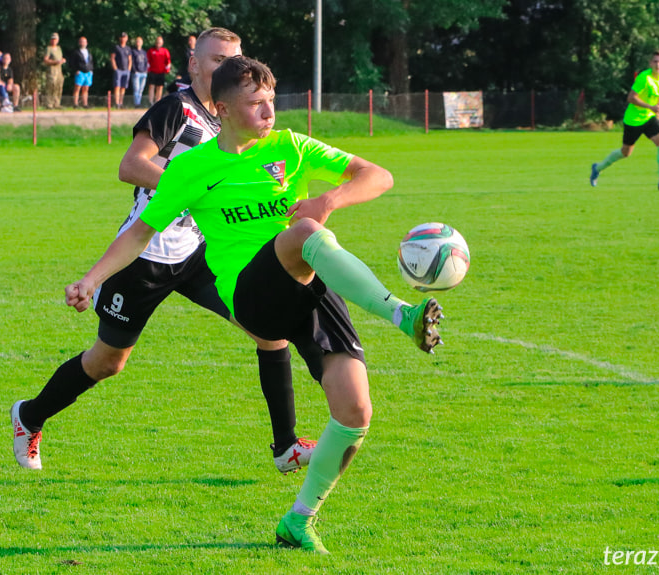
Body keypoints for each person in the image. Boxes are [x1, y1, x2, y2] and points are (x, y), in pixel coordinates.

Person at [62, 55, 444, 554]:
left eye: (271, 100)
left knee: (354, 413)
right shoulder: (193, 167)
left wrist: (330, 199)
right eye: (255, 103)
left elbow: (378, 175)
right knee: (305, 231)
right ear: (222, 109)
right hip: (250, 294)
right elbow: (140, 231)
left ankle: (298, 521)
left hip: (308, 282)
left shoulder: (291, 146)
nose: (269, 111)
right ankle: (403, 314)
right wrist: (91, 279)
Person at [11, 28, 319, 478]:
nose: (225, 68)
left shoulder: (232, 116)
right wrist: (188, 191)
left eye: (233, 60)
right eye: (215, 60)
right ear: (194, 65)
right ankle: (30, 416)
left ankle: (286, 446)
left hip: (198, 254)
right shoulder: (177, 108)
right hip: (145, 258)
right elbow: (131, 166)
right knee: (107, 362)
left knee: (267, 329)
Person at [590, 50, 659, 191]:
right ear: (650, 63)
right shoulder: (644, 78)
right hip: (633, 120)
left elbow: (658, 98)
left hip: (649, 117)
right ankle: (598, 168)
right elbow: (631, 98)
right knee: (626, 152)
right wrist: (651, 107)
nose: (658, 64)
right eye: (655, 61)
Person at [43, 33, 66, 109]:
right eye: (52, 39)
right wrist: (54, 62)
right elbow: (45, 60)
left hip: (59, 70)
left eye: (55, 39)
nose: (54, 41)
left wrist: (62, 60)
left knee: (58, 86)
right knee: (51, 86)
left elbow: (61, 58)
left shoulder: (59, 49)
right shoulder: (48, 49)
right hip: (51, 70)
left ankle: (57, 103)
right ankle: (49, 103)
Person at [70, 37, 94, 108]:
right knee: (77, 88)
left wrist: (91, 70)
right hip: (80, 72)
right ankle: (75, 104)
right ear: (79, 43)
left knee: (86, 89)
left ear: (86, 43)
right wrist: (76, 70)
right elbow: (72, 62)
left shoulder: (88, 52)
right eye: (81, 42)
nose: (83, 43)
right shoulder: (76, 52)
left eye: (84, 42)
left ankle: (85, 104)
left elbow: (91, 62)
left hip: (88, 73)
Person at [146, 36, 170, 106]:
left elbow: (168, 62)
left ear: (162, 43)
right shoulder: (151, 51)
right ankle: (150, 101)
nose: (158, 44)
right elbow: (147, 61)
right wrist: (148, 70)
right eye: (157, 42)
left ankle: (157, 102)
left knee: (160, 87)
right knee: (151, 86)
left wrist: (167, 70)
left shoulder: (165, 51)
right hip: (152, 72)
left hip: (161, 72)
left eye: (159, 42)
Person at [110, 32, 132, 109]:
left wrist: (129, 69)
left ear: (127, 38)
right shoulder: (116, 47)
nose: (123, 39)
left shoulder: (128, 48)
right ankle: (116, 103)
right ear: (120, 38)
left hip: (126, 70)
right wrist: (115, 68)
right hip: (118, 70)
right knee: (117, 86)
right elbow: (112, 58)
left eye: (124, 37)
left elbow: (130, 59)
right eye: (122, 37)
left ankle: (121, 102)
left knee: (123, 87)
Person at [131, 36, 148, 107]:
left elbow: (146, 62)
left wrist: (146, 70)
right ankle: (136, 103)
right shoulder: (133, 51)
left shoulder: (144, 52)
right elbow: (132, 62)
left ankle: (139, 102)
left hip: (143, 73)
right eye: (137, 41)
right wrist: (135, 70)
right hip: (136, 73)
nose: (138, 43)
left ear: (142, 43)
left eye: (140, 42)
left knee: (141, 89)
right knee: (136, 89)